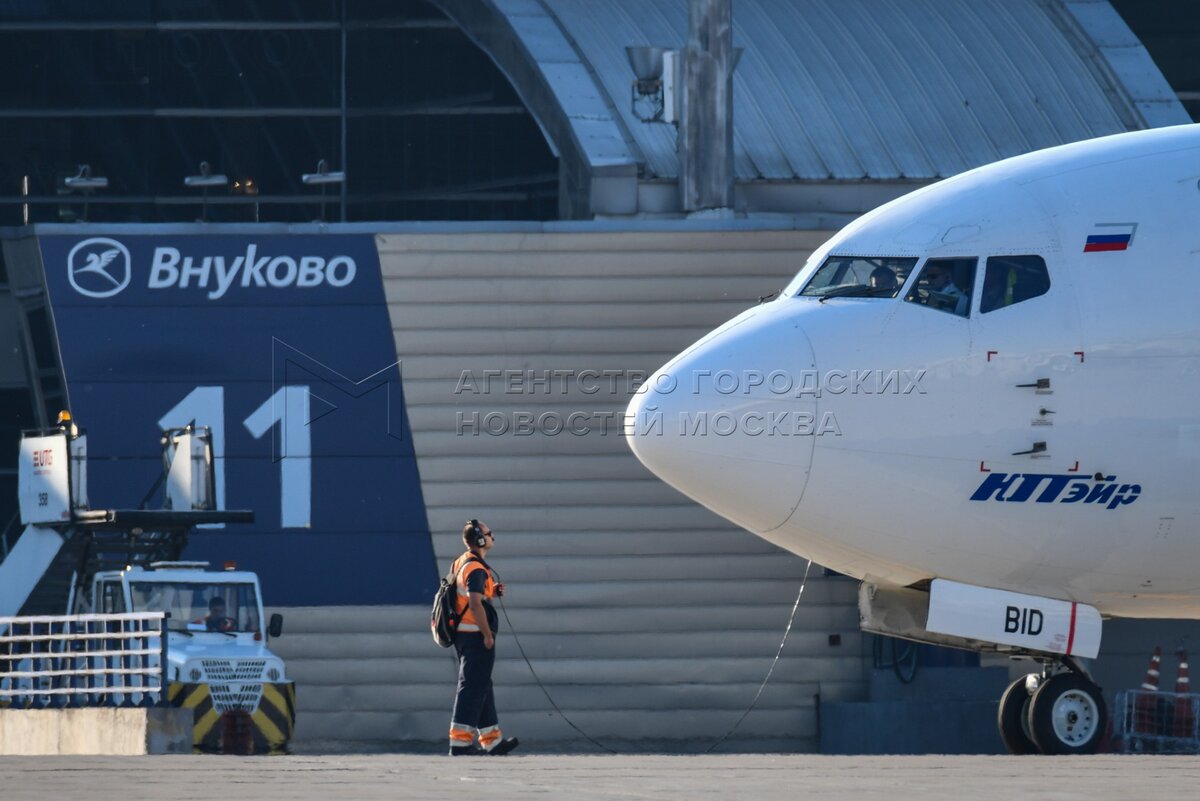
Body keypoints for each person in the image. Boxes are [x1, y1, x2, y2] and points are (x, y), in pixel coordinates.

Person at [447, 519, 519, 756]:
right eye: (489, 533)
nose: (492, 537)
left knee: (481, 685)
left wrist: (492, 590)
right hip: (475, 635)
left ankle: (492, 741)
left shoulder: (462, 562)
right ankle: (460, 743)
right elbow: (475, 604)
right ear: (479, 539)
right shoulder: (476, 568)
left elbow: (467, 597)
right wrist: (487, 635)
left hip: (464, 635)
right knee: (471, 687)